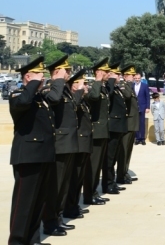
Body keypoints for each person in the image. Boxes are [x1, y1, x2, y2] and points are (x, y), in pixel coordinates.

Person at [7, 56, 57, 245]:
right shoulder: (19, 95)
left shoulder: (40, 97)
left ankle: (33, 239)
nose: (42, 78)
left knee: (38, 201)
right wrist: (32, 84)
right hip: (27, 156)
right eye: (38, 75)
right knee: (23, 203)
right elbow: (22, 103)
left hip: (43, 154)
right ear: (27, 77)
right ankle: (17, 241)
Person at [41, 55, 78, 237]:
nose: (69, 74)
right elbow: (53, 100)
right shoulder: (52, 88)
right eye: (66, 71)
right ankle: (49, 222)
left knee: (63, 185)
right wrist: (56, 81)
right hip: (60, 143)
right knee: (55, 187)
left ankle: (58, 218)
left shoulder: (64, 89)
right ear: (56, 72)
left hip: (69, 142)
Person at [63, 69, 92, 220]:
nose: (87, 86)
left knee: (79, 178)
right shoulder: (75, 99)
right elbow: (75, 106)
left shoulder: (82, 99)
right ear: (74, 86)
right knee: (74, 179)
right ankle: (69, 207)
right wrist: (79, 93)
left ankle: (74, 206)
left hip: (84, 141)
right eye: (83, 84)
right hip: (79, 142)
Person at [84, 58, 111, 206]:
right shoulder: (95, 88)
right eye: (105, 71)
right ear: (98, 72)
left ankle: (94, 192)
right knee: (93, 166)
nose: (108, 73)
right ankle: (89, 194)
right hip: (96, 132)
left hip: (103, 131)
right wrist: (98, 80)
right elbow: (93, 97)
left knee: (98, 165)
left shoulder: (103, 88)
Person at [104, 62, 130, 194]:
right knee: (109, 158)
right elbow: (108, 93)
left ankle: (111, 182)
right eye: (117, 74)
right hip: (113, 128)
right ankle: (108, 184)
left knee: (113, 158)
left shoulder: (117, 89)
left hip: (119, 128)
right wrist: (111, 78)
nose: (119, 76)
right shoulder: (110, 88)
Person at [117, 65, 139, 186]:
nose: (134, 77)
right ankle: (121, 174)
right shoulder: (124, 86)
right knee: (123, 150)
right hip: (127, 123)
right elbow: (126, 96)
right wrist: (129, 84)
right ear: (125, 76)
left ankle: (125, 172)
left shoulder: (129, 86)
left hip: (132, 123)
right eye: (131, 75)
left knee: (128, 150)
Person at [133, 72, 150, 145]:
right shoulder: (131, 85)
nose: (137, 79)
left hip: (142, 107)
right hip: (134, 108)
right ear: (134, 78)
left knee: (142, 123)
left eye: (138, 78)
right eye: (136, 78)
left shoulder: (144, 85)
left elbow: (147, 97)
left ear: (140, 78)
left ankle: (142, 138)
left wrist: (147, 107)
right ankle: (137, 138)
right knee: (135, 123)